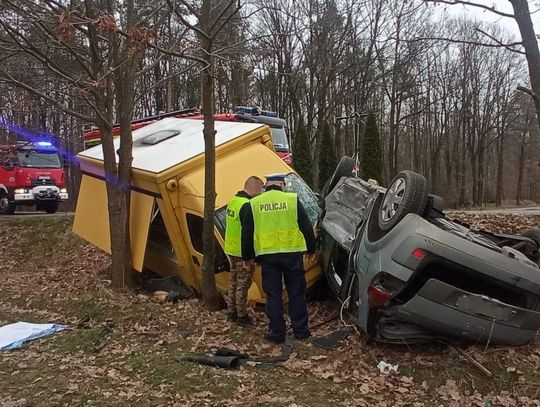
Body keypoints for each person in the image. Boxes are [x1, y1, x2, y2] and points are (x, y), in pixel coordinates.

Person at [241, 173, 316, 344]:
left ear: (267, 185)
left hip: (268, 257)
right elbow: (306, 225)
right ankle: (301, 331)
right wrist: (311, 249)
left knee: (273, 295)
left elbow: (246, 233)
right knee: (296, 293)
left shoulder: (253, 204)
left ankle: (276, 333)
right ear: (281, 185)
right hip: (292, 255)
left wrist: (247, 257)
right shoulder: (291, 200)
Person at [224, 176, 264, 326]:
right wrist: (249, 257)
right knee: (243, 284)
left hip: (231, 249)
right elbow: (247, 233)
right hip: (242, 252)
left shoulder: (233, 201)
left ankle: (232, 311)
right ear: (254, 188)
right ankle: (241, 315)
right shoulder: (246, 206)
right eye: (260, 189)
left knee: (233, 281)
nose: (261, 192)